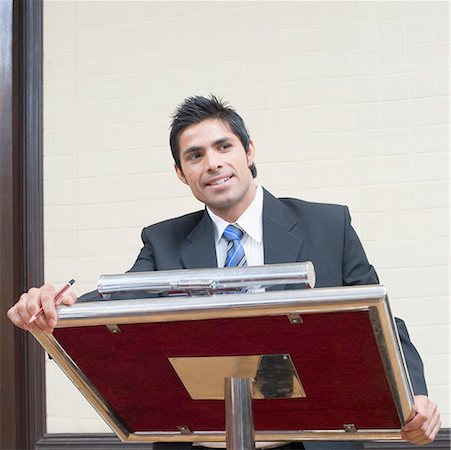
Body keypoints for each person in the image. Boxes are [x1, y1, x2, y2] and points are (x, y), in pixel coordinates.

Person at [7, 95, 441, 448]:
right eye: (194, 156)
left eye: (223, 146)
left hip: (313, 438)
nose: (211, 163)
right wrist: (58, 311)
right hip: (203, 439)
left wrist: (415, 396)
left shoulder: (328, 225)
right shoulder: (163, 242)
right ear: (182, 174)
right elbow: (115, 308)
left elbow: (383, 323)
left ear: (248, 152)